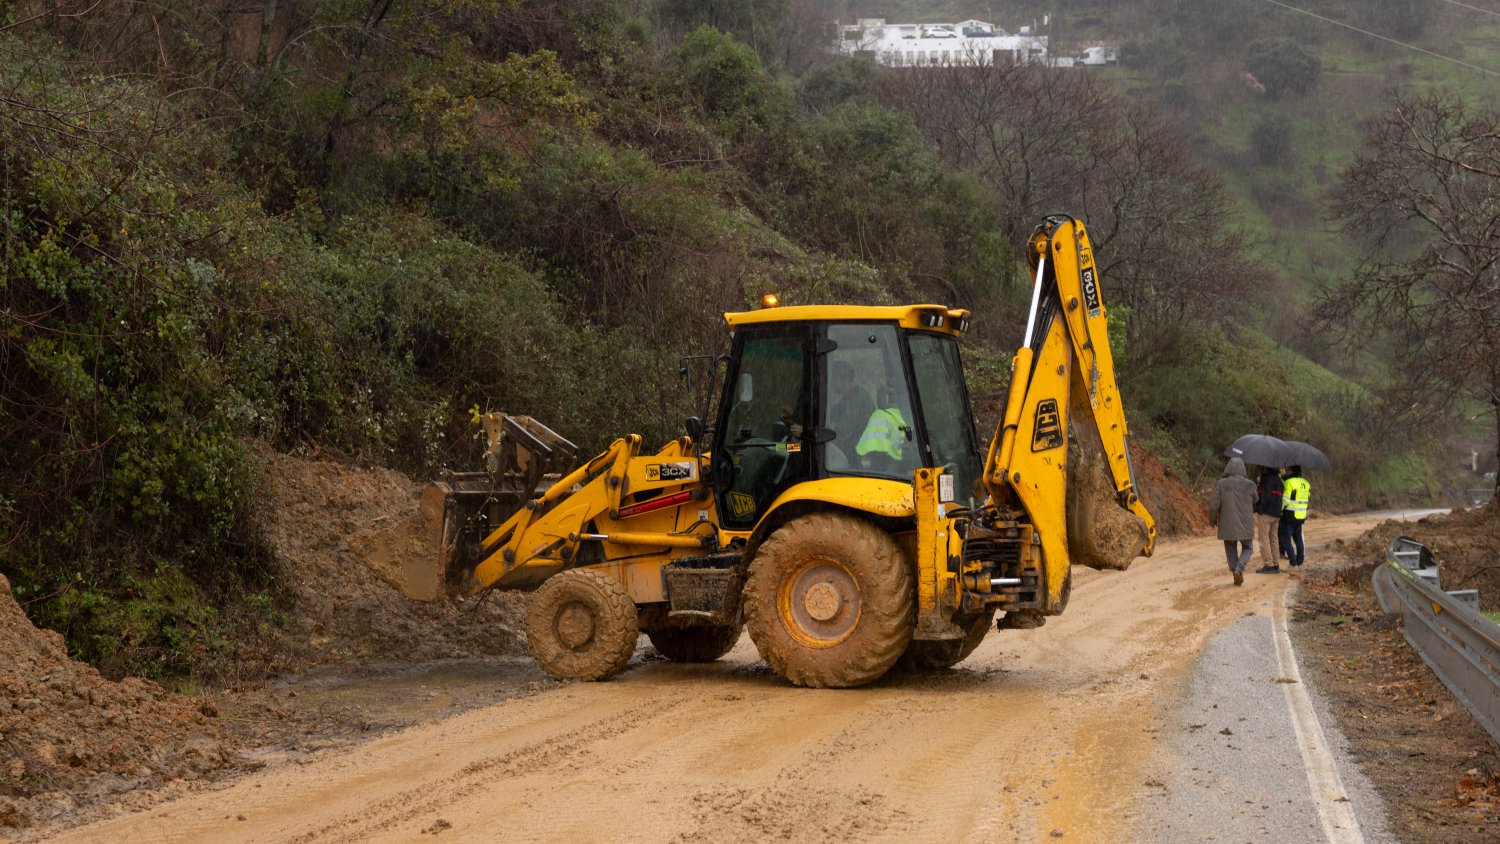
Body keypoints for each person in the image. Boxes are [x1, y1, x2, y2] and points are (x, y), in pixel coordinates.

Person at [1208, 457, 1256, 586]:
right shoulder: (1250, 484)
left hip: (1227, 523)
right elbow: (1256, 500)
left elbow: (1214, 505)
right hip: (1246, 524)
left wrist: (1212, 521)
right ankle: (1239, 569)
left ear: (1228, 468)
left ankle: (1235, 570)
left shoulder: (1221, 483)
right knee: (1248, 547)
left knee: (1230, 546)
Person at [827, 360, 874, 465]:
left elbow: (842, 433)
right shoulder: (847, 398)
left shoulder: (858, 398)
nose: (831, 383)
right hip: (850, 449)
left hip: (856, 455)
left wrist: (822, 438)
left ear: (843, 380)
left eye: (833, 379)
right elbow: (829, 415)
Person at [1253, 465, 1285, 574]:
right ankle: (1276, 564)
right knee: (1274, 538)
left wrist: (1258, 509)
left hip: (1266, 513)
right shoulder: (1280, 482)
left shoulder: (1266, 480)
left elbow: (1264, 497)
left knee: (1263, 539)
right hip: (1276, 514)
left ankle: (1268, 565)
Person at [1280, 464, 1310, 568]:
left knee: (1285, 539)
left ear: (1291, 470)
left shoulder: (1289, 482)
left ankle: (1293, 563)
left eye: (1288, 469)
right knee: (1298, 540)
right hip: (1301, 515)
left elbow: (1285, 500)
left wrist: (1280, 511)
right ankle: (1300, 561)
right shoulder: (1306, 483)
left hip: (1289, 515)